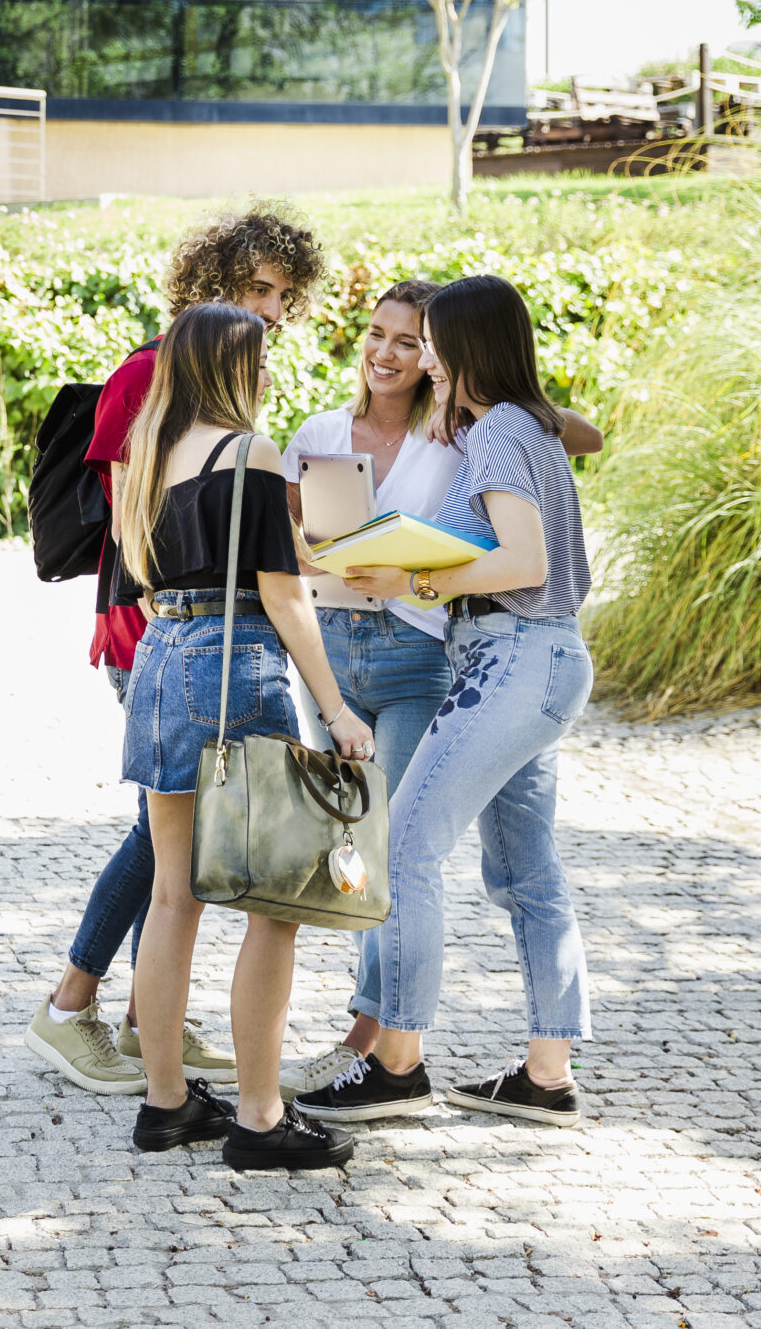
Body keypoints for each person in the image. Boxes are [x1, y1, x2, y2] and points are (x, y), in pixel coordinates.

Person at [275, 282, 605, 1097]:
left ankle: (397, 1062)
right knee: (526, 869)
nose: (421, 356)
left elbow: (522, 560)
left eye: (430, 342)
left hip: (512, 657)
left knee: (407, 843)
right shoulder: (521, 424)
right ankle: (546, 1074)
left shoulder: (496, 431)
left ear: (461, 348)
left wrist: (417, 578)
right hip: (543, 657)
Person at [23, 209, 324, 1096]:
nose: (270, 310)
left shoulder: (221, 393)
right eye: (255, 289)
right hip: (154, 629)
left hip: (177, 629)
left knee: (173, 848)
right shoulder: (148, 377)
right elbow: (132, 521)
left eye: (281, 294)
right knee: (166, 851)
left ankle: (151, 1025)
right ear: (210, 285)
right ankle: (71, 1004)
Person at [112, 301, 371, 1166]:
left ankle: (166, 1103)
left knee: (173, 897)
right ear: (228, 367)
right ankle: (260, 1118)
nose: (267, 375)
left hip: (160, 659)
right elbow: (285, 595)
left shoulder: (146, 455)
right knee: (274, 902)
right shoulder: (249, 453)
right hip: (233, 659)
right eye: (258, 361)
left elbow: (141, 585)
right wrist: (336, 710)